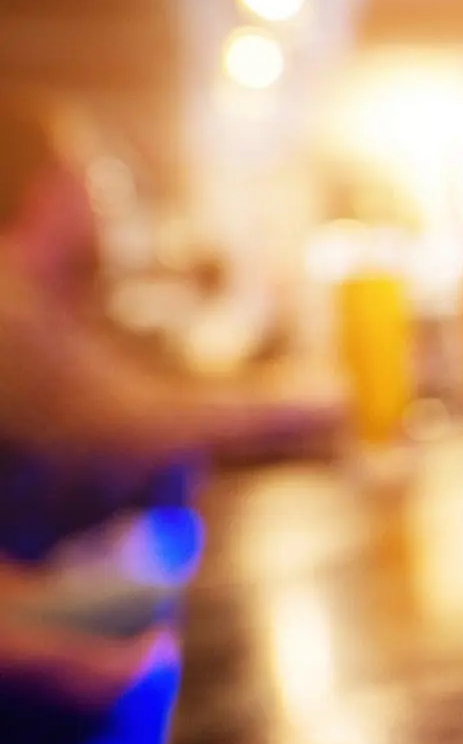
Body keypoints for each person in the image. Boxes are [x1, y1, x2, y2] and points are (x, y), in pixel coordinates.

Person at [0, 91, 338, 705]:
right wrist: (305, 405)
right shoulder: (10, 308)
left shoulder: (34, 298)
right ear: (45, 187)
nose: (103, 193)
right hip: (30, 602)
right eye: (90, 170)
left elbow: (141, 402)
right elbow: (141, 421)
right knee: (233, 593)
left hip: (39, 582)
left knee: (222, 571)